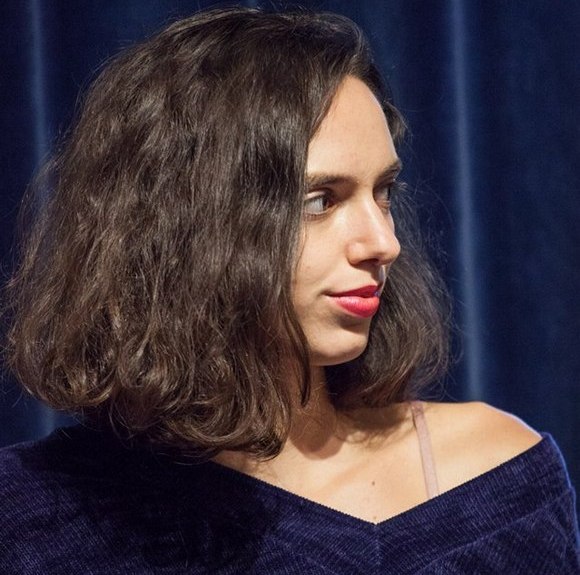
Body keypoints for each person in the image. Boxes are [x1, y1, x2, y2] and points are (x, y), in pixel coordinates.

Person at [0, 6, 578, 574]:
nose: (384, 243)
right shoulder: (37, 518)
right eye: (321, 201)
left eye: (383, 193)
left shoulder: (495, 479)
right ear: (187, 226)